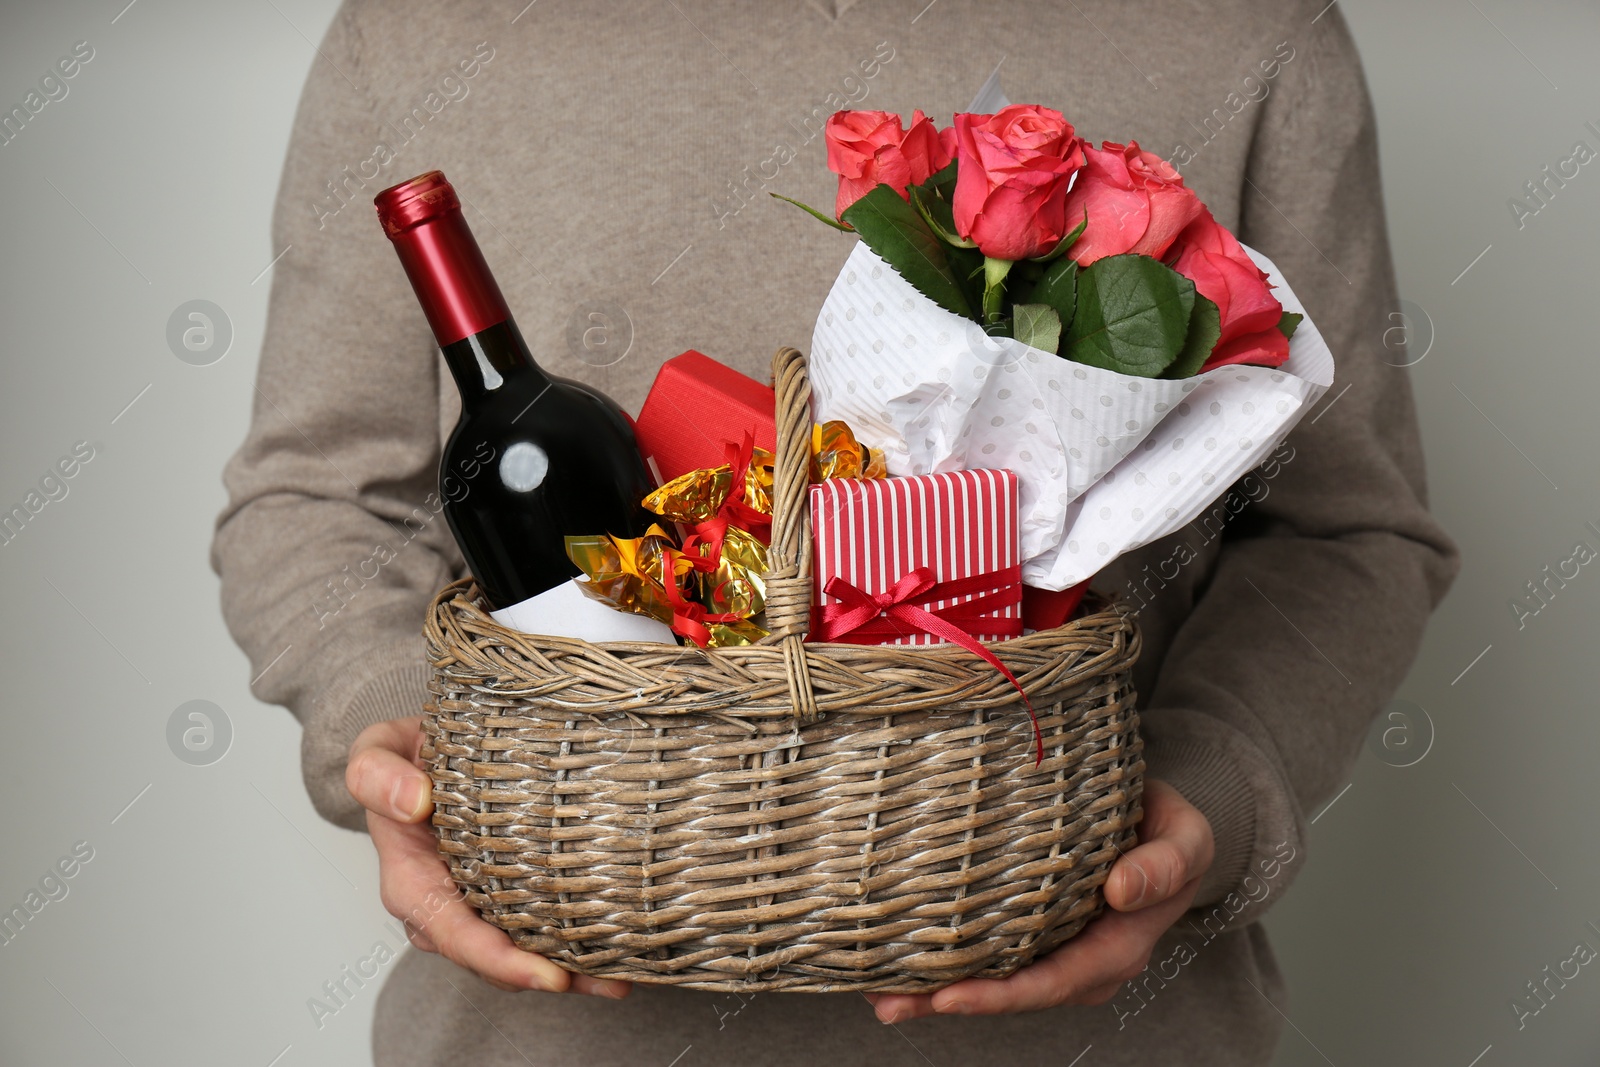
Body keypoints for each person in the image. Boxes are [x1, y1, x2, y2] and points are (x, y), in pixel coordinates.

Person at [213, 1, 1457, 1063]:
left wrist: (1209, 788)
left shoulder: (1248, 28)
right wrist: (404, 749)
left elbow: (1345, 529)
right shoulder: (423, 27)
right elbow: (318, 496)